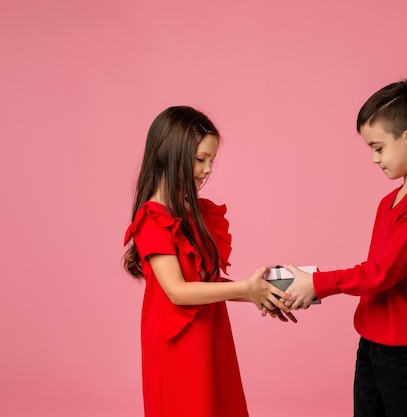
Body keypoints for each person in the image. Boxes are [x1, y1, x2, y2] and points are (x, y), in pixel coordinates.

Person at [284, 78, 407, 417]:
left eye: (378, 148)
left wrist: (318, 283)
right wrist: (308, 286)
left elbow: (384, 272)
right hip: (373, 340)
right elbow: (377, 270)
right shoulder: (389, 201)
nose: (375, 159)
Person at [123, 106, 294, 417]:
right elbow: (178, 291)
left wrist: (261, 291)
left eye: (211, 161)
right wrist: (245, 288)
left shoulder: (192, 212)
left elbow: (204, 283)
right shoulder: (152, 218)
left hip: (209, 332)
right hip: (178, 344)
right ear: (171, 153)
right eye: (200, 159)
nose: (208, 169)